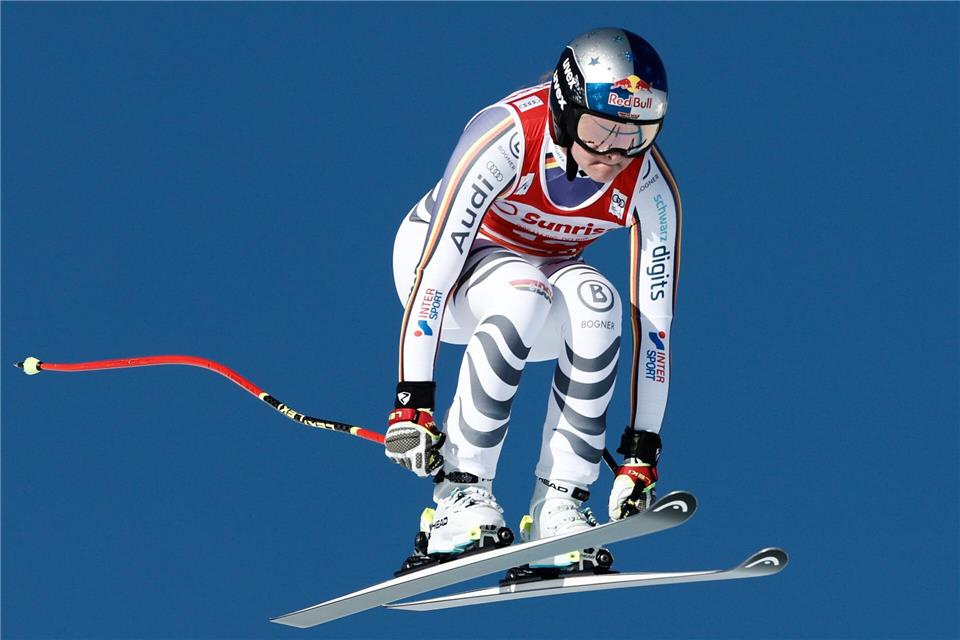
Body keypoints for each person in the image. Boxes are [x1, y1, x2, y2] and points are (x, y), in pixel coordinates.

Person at [385, 27, 681, 571]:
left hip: (540, 283)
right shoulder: (507, 135)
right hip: (443, 273)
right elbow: (434, 272)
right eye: (598, 130)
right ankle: (460, 495)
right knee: (524, 291)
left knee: (598, 300)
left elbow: (655, 326)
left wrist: (642, 452)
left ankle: (560, 504)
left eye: (635, 136)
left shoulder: (649, 185)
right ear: (567, 111)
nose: (615, 153)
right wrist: (412, 403)